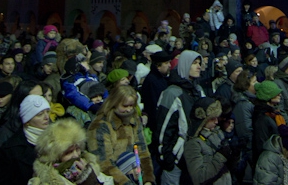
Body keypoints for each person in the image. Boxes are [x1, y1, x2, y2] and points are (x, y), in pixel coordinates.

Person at [154, 49, 205, 185]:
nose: (199, 66)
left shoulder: (198, 91)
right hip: (176, 161)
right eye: (194, 63)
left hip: (195, 157)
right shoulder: (171, 93)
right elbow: (162, 128)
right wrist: (167, 158)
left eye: (199, 63)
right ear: (184, 64)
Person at [87, 84, 154, 184]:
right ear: (115, 103)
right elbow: (104, 163)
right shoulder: (100, 126)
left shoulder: (134, 120)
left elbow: (142, 151)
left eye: (131, 106)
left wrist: (148, 179)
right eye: (125, 106)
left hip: (135, 176)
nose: (129, 109)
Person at [29, 118, 113, 184]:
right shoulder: (42, 180)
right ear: (55, 157)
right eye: (69, 152)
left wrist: (90, 179)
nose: (76, 155)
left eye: (78, 149)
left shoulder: (92, 166)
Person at [0, 94, 50, 185]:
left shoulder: (57, 140)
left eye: (47, 112)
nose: (46, 117)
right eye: (40, 114)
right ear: (27, 121)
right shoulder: (10, 149)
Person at [184, 97, 232, 185]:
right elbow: (198, 177)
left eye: (217, 118)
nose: (216, 122)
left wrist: (234, 155)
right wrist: (221, 156)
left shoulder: (217, 134)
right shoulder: (193, 144)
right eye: (212, 118)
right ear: (203, 119)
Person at [251, 80, 285, 167]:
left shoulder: (273, 114)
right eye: (276, 93)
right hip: (268, 163)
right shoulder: (262, 118)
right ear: (268, 97)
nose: (279, 95)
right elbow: (261, 144)